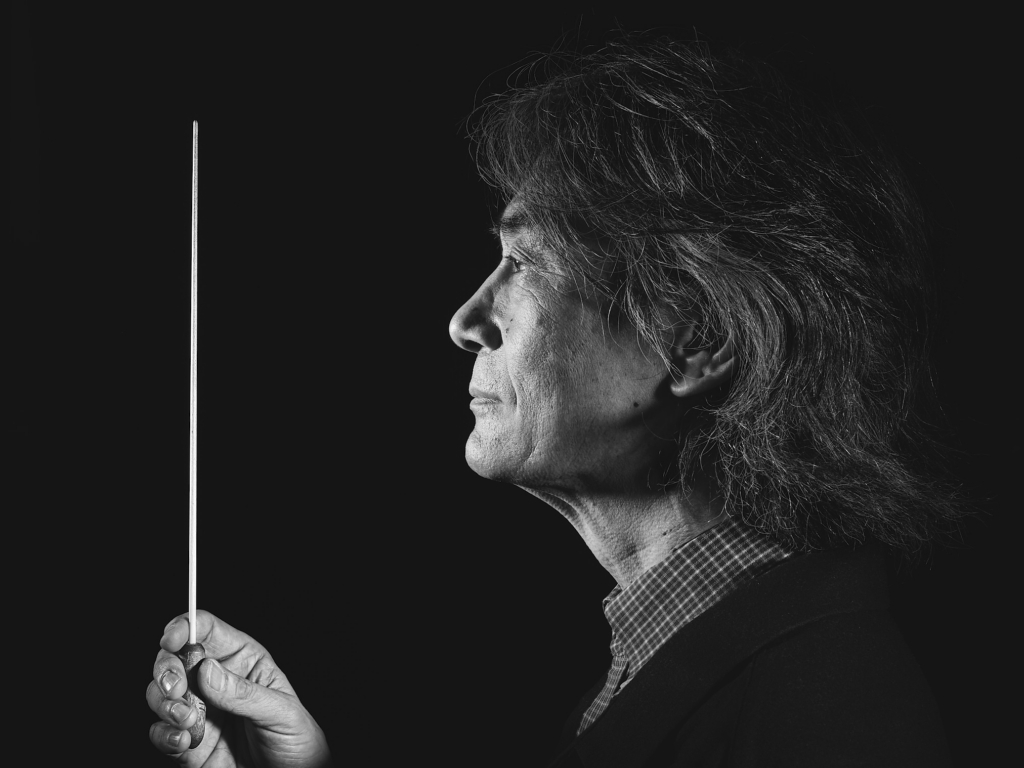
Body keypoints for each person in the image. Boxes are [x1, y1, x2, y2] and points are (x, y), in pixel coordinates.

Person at [447, 38, 964, 766]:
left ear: (695, 341)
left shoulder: (825, 718)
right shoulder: (670, 659)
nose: (466, 322)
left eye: (524, 263)